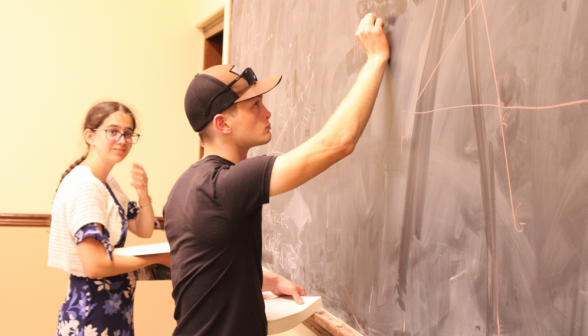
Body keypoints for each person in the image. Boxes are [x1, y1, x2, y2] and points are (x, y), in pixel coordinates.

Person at [163, 13, 390, 336]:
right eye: (255, 105)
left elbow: (205, 263)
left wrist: (266, 280)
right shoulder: (228, 184)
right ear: (222, 124)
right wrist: (376, 58)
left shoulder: (184, 187)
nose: (267, 112)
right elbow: (338, 143)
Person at [48, 101, 171, 336]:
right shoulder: (85, 186)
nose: (122, 140)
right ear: (90, 136)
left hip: (113, 310)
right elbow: (95, 265)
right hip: (91, 314)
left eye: (127, 133)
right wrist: (157, 257)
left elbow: (143, 229)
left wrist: (143, 193)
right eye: (112, 131)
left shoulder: (106, 182)